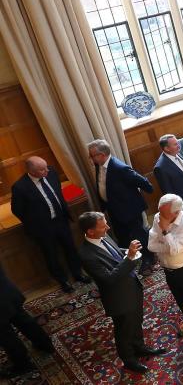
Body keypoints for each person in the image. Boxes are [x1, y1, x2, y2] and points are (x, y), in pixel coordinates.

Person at [78, 211, 166, 373]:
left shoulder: (102, 236)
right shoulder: (86, 255)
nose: (108, 227)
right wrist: (130, 257)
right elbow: (110, 278)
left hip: (131, 287)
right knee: (124, 331)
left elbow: (113, 251)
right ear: (90, 231)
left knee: (136, 321)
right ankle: (129, 360)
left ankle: (140, 347)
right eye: (103, 225)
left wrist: (127, 251)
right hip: (118, 298)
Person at [11, 157, 89, 293]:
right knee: (51, 255)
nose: (47, 170)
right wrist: (35, 222)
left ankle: (78, 274)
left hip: (61, 220)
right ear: (31, 171)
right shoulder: (20, 187)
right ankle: (63, 280)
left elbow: (57, 192)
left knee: (70, 248)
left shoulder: (51, 172)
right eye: (42, 170)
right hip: (43, 228)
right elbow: (17, 210)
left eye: (46, 167)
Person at [88, 139, 156, 274]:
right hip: (114, 209)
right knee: (122, 236)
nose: (90, 158)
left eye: (92, 155)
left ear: (101, 155)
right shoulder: (99, 166)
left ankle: (148, 259)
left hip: (129, 209)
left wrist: (147, 190)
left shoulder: (120, 168)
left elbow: (143, 183)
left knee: (139, 235)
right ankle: (129, 261)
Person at [0, 264, 53, 378]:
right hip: (6, 289)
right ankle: (45, 344)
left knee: (5, 334)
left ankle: (23, 364)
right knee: (22, 318)